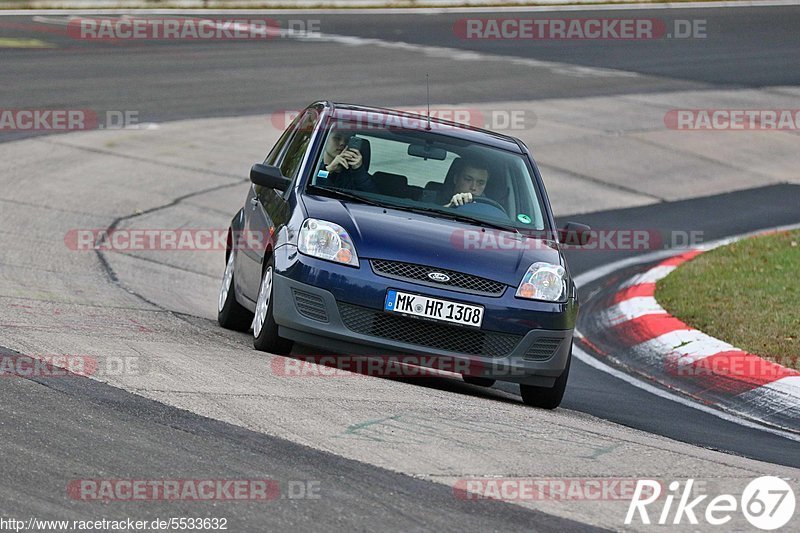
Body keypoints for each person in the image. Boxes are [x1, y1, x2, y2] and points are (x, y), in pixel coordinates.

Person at [318, 127, 377, 193]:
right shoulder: (312, 167)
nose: (342, 143)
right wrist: (328, 170)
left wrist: (359, 170)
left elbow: (371, 195)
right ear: (325, 140)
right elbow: (313, 186)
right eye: (337, 138)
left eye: (347, 140)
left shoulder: (354, 175)